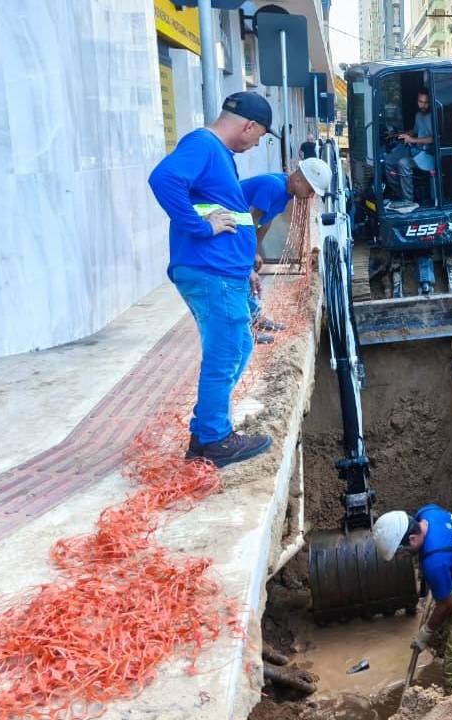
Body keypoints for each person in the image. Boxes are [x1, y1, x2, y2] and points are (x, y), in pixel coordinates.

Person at [148, 91, 276, 468]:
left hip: (223, 272)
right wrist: (200, 227)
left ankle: (205, 432)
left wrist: (244, 264)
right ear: (248, 125)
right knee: (225, 353)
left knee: (238, 347)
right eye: (259, 137)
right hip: (211, 272)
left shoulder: (217, 154)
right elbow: (163, 179)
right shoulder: (203, 145)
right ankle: (216, 439)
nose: (255, 145)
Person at [375, 506, 452, 691]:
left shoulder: (434, 562)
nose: (401, 558)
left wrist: (425, 633)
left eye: (401, 553)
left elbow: (446, 605)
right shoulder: (429, 513)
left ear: (412, 538)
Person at [239, 158, 331, 343]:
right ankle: (245, 332)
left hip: (239, 236)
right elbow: (249, 222)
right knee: (237, 283)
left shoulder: (284, 193)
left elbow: (265, 221)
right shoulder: (273, 186)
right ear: (299, 180)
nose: (311, 196)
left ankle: (256, 319)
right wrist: (246, 260)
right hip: (227, 235)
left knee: (246, 284)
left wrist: (255, 252)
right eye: (311, 190)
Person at [383, 89, 435, 213]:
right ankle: (400, 194)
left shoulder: (434, 117)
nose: (423, 105)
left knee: (403, 163)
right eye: (420, 101)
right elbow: (415, 130)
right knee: (389, 161)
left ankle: (408, 201)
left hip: (428, 154)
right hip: (417, 150)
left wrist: (412, 139)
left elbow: (433, 138)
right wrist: (399, 134)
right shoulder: (419, 115)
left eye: (426, 102)